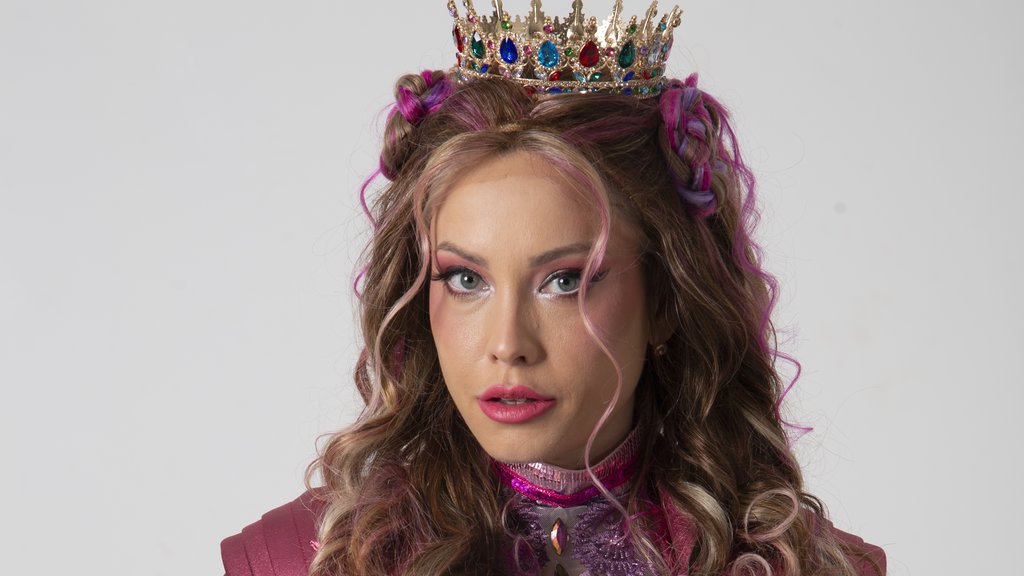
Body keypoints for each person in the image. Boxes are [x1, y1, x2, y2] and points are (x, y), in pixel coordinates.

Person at [221, 1, 886, 574]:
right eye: (465, 279)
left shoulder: (801, 563)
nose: (508, 343)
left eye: (564, 281)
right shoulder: (302, 559)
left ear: (663, 301)